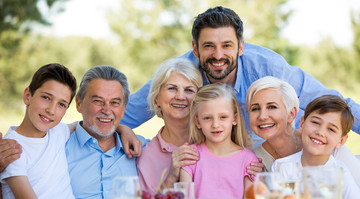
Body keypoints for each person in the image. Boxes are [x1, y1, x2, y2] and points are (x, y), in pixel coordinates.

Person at [120, 6, 360, 144]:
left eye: (226, 45)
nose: (218, 55)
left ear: (241, 47)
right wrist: (121, 130)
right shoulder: (180, 73)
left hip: (286, 150)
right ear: (195, 48)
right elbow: (127, 113)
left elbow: (336, 104)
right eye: (208, 46)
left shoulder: (269, 68)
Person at [0, 64, 86, 199]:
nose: (51, 110)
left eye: (61, 104)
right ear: (27, 96)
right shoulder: (11, 149)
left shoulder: (58, 132)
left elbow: (85, 125)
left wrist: (123, 129)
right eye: (46, 97)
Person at [66, 66, 148, 199]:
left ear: (123, 109)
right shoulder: (58, 148)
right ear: (79, 103)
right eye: (98, 101)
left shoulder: (141, 148)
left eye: (115, 103)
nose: (107, 110)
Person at [246, 76, 360, 187]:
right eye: (255, 109)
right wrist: (264, 181)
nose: (262, 116)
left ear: (291, 114)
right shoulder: (256, 160)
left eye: (272, 107)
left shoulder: (329, 146)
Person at [272, 95, 360, 199]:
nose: (320, 132)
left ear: (341, 141)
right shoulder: (282, 167)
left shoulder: (340, 174)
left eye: (331, 129)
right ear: (302, 123)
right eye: (315, 122)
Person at [180, 83, 259, 199]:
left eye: (223, 117)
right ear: (197, 122)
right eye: (207, 118)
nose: (215, 125)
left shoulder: (248, 160)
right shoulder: (191, 156)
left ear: (235, 119)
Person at [137, 58, 203, 195]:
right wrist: (172, 176)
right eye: (172, 88)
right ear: (157, 98)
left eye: (189, 90)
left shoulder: (213, 140)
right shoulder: (146, 156)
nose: (180, 96)